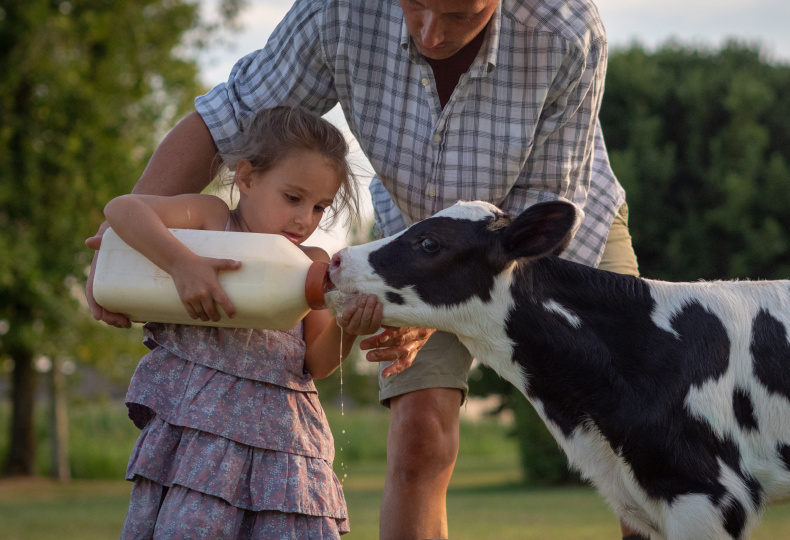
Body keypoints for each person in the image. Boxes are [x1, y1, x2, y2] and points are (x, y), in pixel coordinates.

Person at [87, 1, 645, 539]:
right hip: (415, 242)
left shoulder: (568, 28)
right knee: (421, 435)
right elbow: (226, 116)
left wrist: (446, 296)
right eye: (414, 5)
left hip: (554, 230)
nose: (430, 34)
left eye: (460, 14)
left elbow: (546, 201)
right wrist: (119, 259)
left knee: (634, 428)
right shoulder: (340, 8)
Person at [102, 106, 383, 539]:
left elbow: (318, 363)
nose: (304, 219)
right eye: (293, 198)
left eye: (319, 207)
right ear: (248, 179)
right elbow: (123, 209)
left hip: (283, 446)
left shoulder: (311, 264)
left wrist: (347, 328)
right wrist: (182, 263)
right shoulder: (213, 221)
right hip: (201, 439)